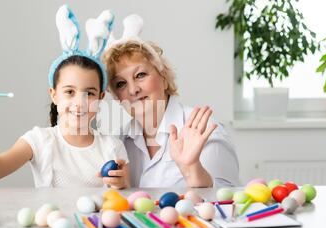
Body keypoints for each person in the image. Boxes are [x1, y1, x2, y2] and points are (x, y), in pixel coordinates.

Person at [0, 5, 130, 189]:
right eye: (69, 92)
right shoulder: (40, 141)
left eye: (89, 93)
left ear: (101, 97)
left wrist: (122, 185)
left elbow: (125, 195)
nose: (79, 103)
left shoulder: (112, 148)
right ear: (54, 95)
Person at [101, 14, 239, 188]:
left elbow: (227, 201)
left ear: (164, 77)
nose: (133, 89)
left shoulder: (203, 131)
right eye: (121, 84)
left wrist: (192, 169)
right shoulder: (119, 141)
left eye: (140, 75)